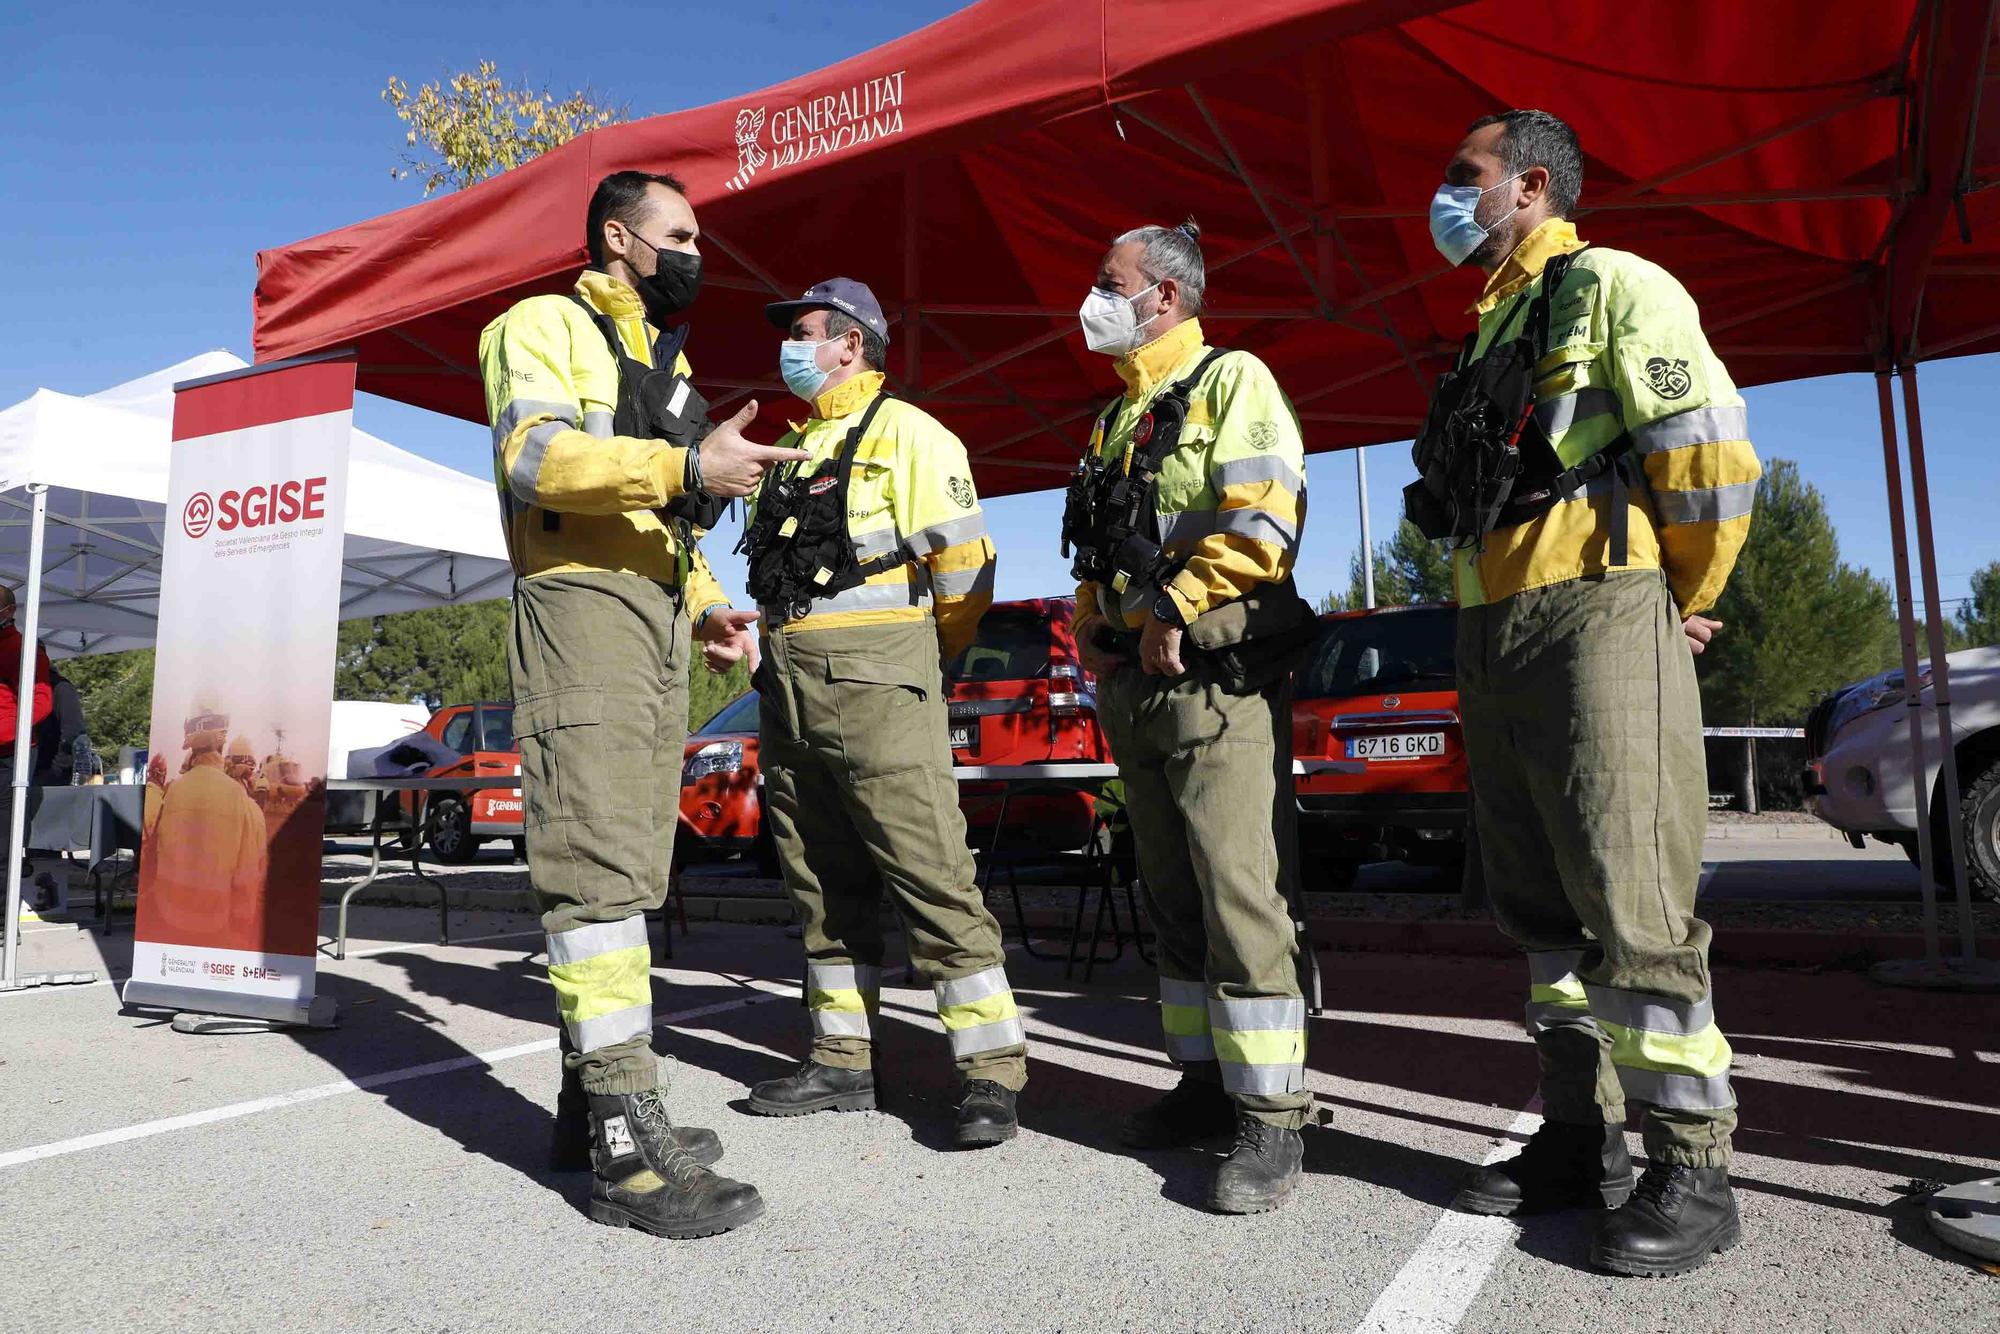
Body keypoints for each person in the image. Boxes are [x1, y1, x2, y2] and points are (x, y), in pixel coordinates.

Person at [1414, 110, 1759, 1276]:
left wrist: (1678, 589)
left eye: (1464, 177)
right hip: (1493, 626)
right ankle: (1578, 1138)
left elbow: (1706, 446)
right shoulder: (1486, 324)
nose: (1446, 196)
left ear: (1530, 184)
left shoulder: (1611, 282)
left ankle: (1691, 1167)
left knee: (1630, 900)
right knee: (1540, 909)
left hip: (1597, 611)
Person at [477, 168, 806, 1239]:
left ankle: (587, 1105)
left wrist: (704, 599)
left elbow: (662, 520)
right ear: (618, 238)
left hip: (651, 615)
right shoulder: (538, 325)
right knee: (596, 875)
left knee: (629, 859)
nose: (695, 255)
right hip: (580, 609)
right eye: (680, 235)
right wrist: (681, 460)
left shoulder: (658, 357)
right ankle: (626, 1140)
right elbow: (534, 457)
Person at [1064, 221, 1319, 1214]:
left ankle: (1271, 1116)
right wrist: (1093, 624)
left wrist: (1175, 605)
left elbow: (1262, 519)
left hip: (1215, 680)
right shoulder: (1113, 421)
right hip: (1135, 686)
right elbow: (1095, 551)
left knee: (1234, 891)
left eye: (1106, 281)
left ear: (1162, 296)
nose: (1093, 299)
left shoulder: (1232, 382)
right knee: (1170, 894)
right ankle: (1202, 1081)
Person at [738, 278, 1025, 1147]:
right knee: (818, 879)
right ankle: (841, 1058)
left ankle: (989, 1074)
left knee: (930, 871)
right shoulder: (789, 447)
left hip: (882, 680)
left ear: (850, 345)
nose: (790, 346)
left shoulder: (911, 434)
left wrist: (912, 663)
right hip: (787, 687)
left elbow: (966, 574)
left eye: (804, 332)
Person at [146, 707, 267, 938]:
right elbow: (247, 872)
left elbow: (155, 853)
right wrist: (243, 923)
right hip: (213, 923)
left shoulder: (173, 790)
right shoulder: (236, 795)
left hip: (167, 915)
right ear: (221, 744)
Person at [0, 585, 53, 887]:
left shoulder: (23, 648)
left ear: (9, 612)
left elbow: (40, 700)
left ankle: (5, 922)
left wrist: (7, 732)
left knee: (4, 842)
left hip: (10, 755)